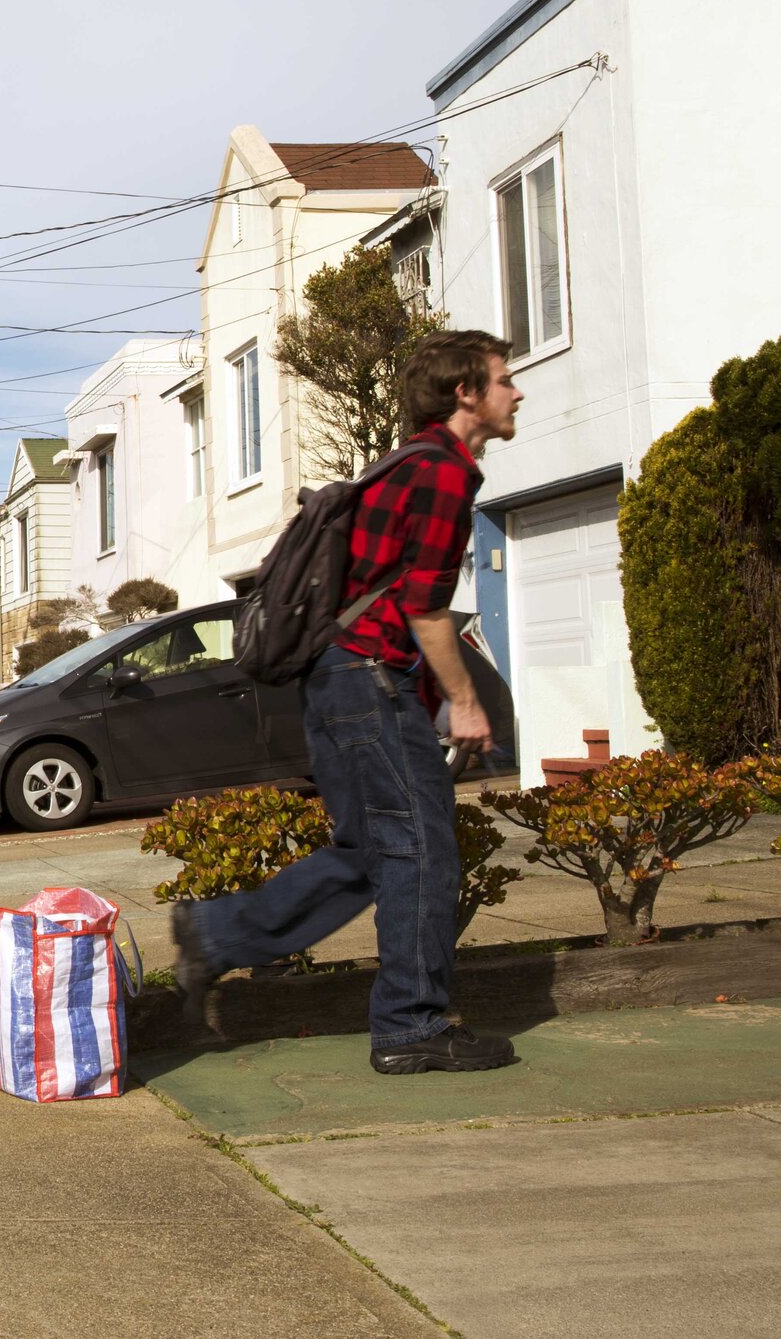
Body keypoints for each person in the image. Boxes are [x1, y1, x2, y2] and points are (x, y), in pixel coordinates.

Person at [171, 330, 524, 1075]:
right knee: (421, 851)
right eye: (503, 379)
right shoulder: (443, 475)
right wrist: (463, 701)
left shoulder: (403, 465)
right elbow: (427, 609)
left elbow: (394, 597)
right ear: (466, 392)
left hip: (337, 678)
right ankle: (409, 1025)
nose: (515, 392)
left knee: (372, 851)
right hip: (368, 679)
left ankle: (214, 935)